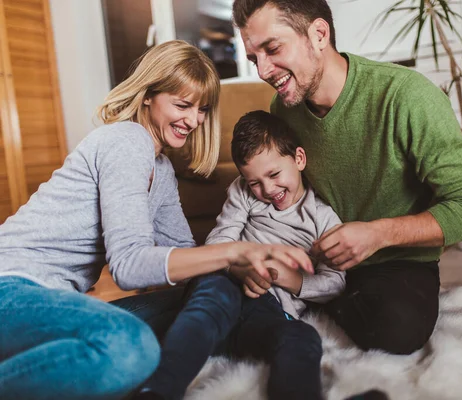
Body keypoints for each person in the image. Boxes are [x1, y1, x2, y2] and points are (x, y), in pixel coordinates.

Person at [0, 40, 312, 400]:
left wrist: (240, 273)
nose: (193, 120)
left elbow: (185, 259)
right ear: (148, 95)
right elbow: (129, 266)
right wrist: (233, 252)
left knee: (218, 302)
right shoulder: (125, 141)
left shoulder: (160, 168)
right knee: (127, 347)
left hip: (53, 300)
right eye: (182, 105)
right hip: (11, 286)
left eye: (202, 110)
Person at [232, 0, 462, 356]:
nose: (263, 70)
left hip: (393, 260)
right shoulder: (284, 109)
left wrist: (377, 233)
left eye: (273, 48)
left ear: (319, 34)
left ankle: (324, 301)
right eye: (253, 58)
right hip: (313, 258)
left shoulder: (407, 96)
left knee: (396, 332)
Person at [141, 110, 345, 400]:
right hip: (224, 285)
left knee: (302, 337)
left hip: (268, 310)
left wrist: (292, 280)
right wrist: (239, 266)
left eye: (274, 174)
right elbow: (220, 241)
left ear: (299, 159)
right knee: (207, 308)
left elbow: (336, 282)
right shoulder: (243, 192)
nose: (268, 189)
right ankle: (156, 392)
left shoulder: (323, 218)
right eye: (255, 182)